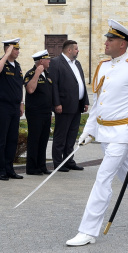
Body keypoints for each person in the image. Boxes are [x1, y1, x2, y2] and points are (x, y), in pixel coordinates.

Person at [66, 20, 128, 247]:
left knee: (102, 178)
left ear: (122, 44)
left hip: (123, 134)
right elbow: (98, 102)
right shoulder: (103, 66)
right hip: (105, 133)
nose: (106, 43)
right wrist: (89, 130)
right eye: (107, 39)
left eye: (110, 40)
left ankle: (88, 231)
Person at [50, 40, 89, 172]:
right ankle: (58, 162)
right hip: (64, 105)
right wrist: (56, 103)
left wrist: (85, 101)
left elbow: (81, 83)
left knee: (72, 135)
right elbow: (54, 84)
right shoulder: (56, 63)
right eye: (76, 49)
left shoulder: (76, 63)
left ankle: (69, 160)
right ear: (69, 50)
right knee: (61, 135)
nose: (78, 51)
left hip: (77, 105)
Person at [0, 38, 24, 181]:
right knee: (1, 139)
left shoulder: (17, 66)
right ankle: (1, 170)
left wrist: (21, 103)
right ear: (7, 49)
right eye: (14, 49)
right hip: (2, 106)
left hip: (14, 107)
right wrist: (6, 55)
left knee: (12, 139)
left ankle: (9, 168)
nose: (17, 51)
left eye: (17, 49)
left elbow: (18, 86)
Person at [24, 50, 54, 175]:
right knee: (34, 140)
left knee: (43, 140)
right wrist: (37, 73)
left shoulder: (47, 74)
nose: (49, 61)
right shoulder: (31, 73)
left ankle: (41, 166)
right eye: (47, 59)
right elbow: (30, 89)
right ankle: (32, 168)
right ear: (41, 61)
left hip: (46, 113)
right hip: (35, 113)